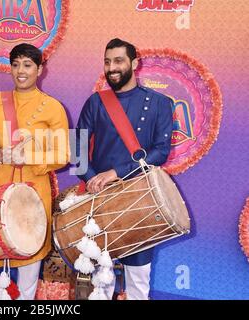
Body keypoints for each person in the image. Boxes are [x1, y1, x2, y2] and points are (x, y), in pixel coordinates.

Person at [0, 43, 70, 300]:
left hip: (32, 197)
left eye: (27, 65)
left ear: (40, 69)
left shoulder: (53, 107)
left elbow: (63, 155)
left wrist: (29, 157)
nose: (20, 71)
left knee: (28, 264)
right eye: (15, 65)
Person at [76, 38, 173, 300]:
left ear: (134, 63)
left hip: (139, 201)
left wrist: (116, 173)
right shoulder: (96, 102)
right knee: (101, 278)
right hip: (100, 200)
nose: (111, 67)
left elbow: (160, 151)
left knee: (138, 279)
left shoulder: (159, 103)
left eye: (118, 61)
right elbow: (77, 150)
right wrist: (92, 180)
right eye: (107, 62)